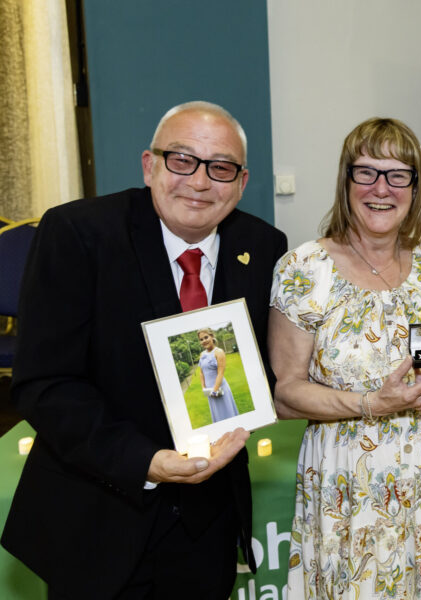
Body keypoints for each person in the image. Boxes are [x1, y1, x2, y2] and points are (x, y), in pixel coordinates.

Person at [1, 101, 288, 598]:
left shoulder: (263, 246)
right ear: (149, 165)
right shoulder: (78, 234)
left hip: (208, 526)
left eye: (220, 167)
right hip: (99, 516)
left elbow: (266, 367)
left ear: (241, 183)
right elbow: (44, 383)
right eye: (182, 160)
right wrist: (145, 461)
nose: (199, 182)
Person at [269, 117, 421, 599]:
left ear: (415, 185)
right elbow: (286, 394)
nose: (381, 188)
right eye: (366, 172)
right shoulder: (305, 270)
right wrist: (373, 403)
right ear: (346, 181)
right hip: (351, 485)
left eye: (397, 174)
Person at [198, 327, 240, 423]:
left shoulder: (219, 352)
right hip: (210, 391)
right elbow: (201, 373)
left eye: (206, 337)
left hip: (220, 389)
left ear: (212, 336)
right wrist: (204, 388)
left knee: (228, 416)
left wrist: (215, 390)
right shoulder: (202, 354)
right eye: (201, 339)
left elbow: (221, 372)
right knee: (218, 418)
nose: (204, 341)